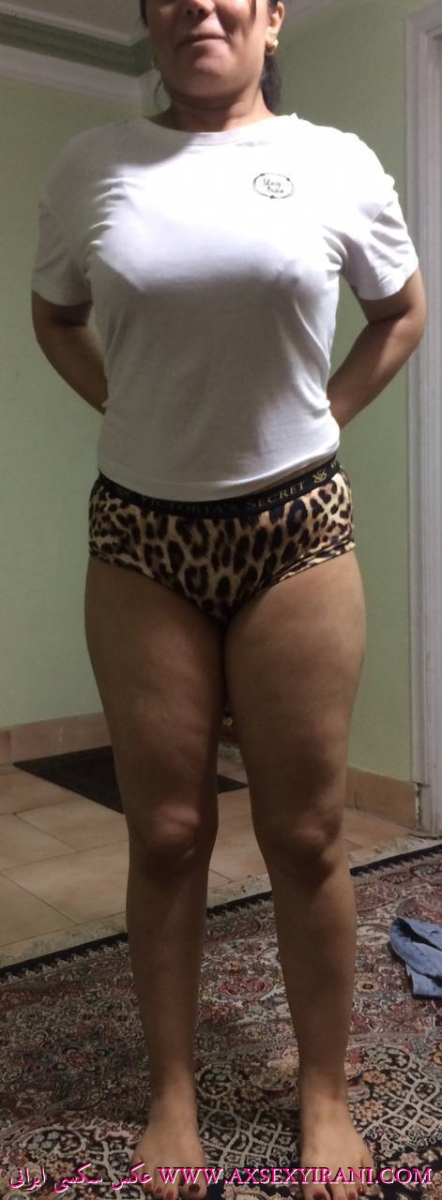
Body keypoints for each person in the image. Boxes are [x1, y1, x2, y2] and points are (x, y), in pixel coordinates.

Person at [30, 0, 427, 1194]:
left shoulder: (335, 162)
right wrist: (132, 407)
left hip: (297, 526)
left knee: (304, 834)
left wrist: (326, 415)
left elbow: (400, 311)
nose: (199, 4)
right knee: (165, 832)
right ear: (151, 17)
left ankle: (324, 1095)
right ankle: (171, 1091)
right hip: (139, 533)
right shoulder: (92, 164)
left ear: (271, 16)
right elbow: (55, 314)